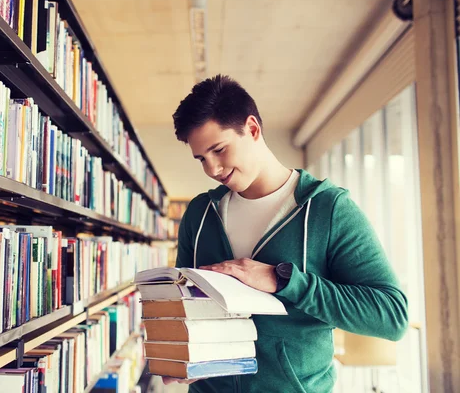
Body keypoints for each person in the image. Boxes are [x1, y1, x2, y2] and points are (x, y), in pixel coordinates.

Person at [166, 74, 408, 392]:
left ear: (252, 129)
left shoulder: (328, 209)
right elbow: (183, 306)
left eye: (219, 150)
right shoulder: (198, 214)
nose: (212, 169)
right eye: (201, 159)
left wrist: (284, 280)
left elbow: (391, 315)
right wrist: (176, 354)